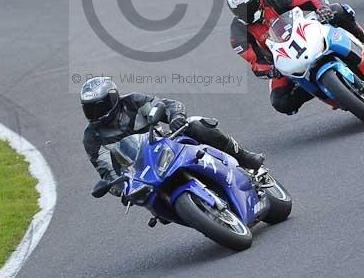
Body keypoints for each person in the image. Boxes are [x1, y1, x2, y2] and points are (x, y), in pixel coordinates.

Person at [226, 0, 364, 116]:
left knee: (338, 10)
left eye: (247, 6)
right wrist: (270, 70)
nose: (245, 12)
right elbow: (255, 62)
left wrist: (322, 8)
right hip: (283, 61)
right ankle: (323, 90)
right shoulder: (237, 33)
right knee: (280, 102)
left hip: (305, 33)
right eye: (239, 10)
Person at [81, 76, 264, 195]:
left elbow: (166, 105)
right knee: (143, 199)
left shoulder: (132, 102)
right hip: (143, 175)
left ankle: (244, 157)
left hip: (166, 146)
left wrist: (176, 117)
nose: (95, 113)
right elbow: (106, 170)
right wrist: (121, 188)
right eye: (89, 108)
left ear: (112, 99)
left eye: (99, 106)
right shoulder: (92, 137)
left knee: (195, 125)